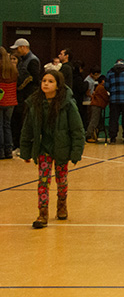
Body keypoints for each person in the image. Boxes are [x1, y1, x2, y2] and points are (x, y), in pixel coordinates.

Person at [19, 70, 86, 228]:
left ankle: (62, 205)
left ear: (58, 85)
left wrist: (76, 153)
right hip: (44, 149)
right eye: (44, 81)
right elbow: (27, 129)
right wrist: (26, 151)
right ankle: (43, 213)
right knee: (43, 181)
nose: (46, 84)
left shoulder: (68, 104)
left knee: (61, 180)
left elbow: (77, 130)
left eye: (50, 81)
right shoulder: (35, 103)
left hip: (62, 148)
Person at [11, 38, 41, 154]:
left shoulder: (32, 60)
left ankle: (24, 147)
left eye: (17, 49)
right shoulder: (22, 60)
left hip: (27, 97)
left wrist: (22, 86)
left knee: (25, 122)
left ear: (23, 47)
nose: (16, 52)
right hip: (21, 97)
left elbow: (35, 79)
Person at [0, 47, 19, 159]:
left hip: (1, 100)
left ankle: (1, 151)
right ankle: (8, 150)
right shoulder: (13, 69)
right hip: (11, 100)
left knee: (0, 125)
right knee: (7, 125)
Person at [86, 75, 109, 143]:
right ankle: (89, 136)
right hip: (97, 106)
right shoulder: (101, 88)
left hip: (97, 105)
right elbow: (105, 97)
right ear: (102, 81)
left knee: (95, 121)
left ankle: (92, 135)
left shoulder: (98, 87)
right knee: (94, 121)